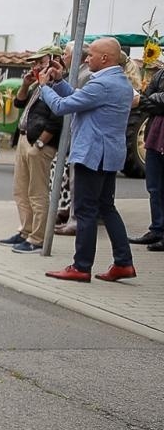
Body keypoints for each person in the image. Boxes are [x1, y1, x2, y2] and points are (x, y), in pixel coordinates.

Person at [38, 37, 136, 283]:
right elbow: (78, 98)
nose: (87, 58)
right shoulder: (119, 81)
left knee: (85, 211)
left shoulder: (102, 84)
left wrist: (44, 87)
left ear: (105, 58)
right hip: (108, 155)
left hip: (92, 155)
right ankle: (123, 262)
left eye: (91, 55)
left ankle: (81, 266)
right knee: (107, 208)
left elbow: (62, 107)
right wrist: (59, 81)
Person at [0, 50, 66, 254]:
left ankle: (37, 238)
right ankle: (25, 231)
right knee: (21, 190)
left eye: (39, 62)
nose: (35, 66)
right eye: (33, 63)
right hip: (24, 139)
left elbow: (57, 120)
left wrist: (40, 144)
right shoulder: (39, 84)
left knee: (37, 193)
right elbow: (19, 103)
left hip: (38, 145)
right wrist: (26, 84)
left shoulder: (57, 87)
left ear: (54, 62)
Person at [134, 59, 164, 252]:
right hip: (155, 136)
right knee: (154, 187)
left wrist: (152, 100)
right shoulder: (160, 74)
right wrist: (154, 100)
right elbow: (145, 101)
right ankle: (157, 229)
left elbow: (146, 101)